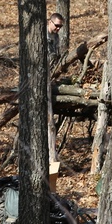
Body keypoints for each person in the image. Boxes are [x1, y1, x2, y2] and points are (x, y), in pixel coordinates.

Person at [46, 13, 65, 163]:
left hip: (50, 75)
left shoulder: (56, 37)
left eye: (60, 26)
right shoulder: (42, 34)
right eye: (56, 25)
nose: (58, 28)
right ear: (49, 22)